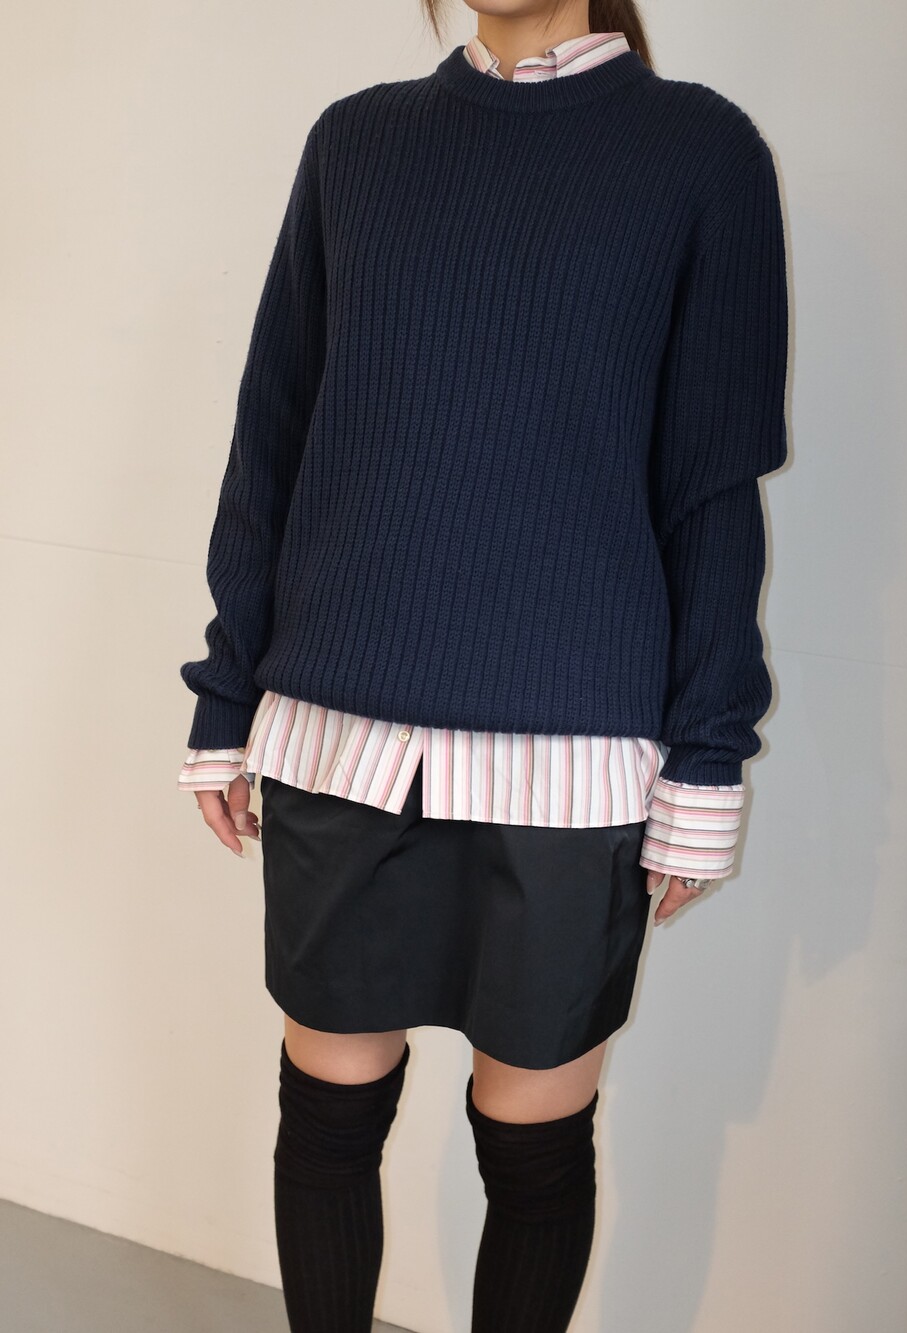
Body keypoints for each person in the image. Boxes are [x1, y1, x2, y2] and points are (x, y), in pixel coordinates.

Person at [176, 1, 788, 1328]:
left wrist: (708, 757)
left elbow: (710, 485)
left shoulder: (699, 152)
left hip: (570, 756)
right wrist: (225, 696)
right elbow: (273, 431)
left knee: (534, 1142)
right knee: (329, 1115)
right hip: (340, 734)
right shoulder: (358, 143)